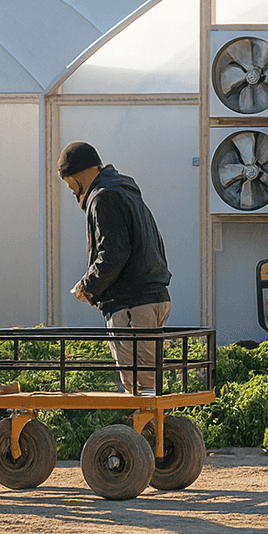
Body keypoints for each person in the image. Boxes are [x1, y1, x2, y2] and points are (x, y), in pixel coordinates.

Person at [57, 141, 172, 394]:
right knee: (151, 387)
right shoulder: (126, 190)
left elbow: (113, 254)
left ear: (77, 176)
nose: (73, 192)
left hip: (131, 305)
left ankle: (145, 434)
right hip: (153, 298)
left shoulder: (104, 198)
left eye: (69, 185)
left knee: (140, 391)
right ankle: (158, 431)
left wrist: (87, 287)